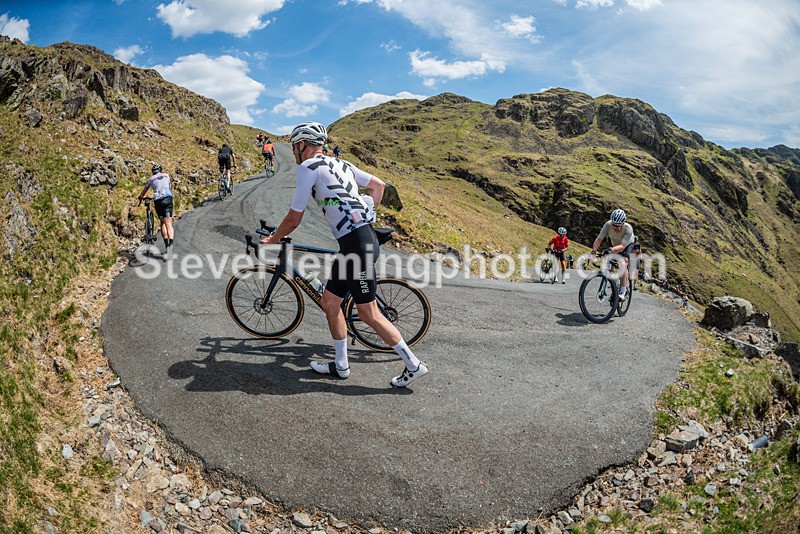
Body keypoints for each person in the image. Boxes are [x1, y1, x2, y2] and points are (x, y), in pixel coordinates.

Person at [260, 121, 429, 388]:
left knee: (368, 313)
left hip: (356, 248)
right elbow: (378, 186)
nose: (293, 152)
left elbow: (294, 218)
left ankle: (413, 364)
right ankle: (340, 365)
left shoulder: (308, 167)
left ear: (303, 144)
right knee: (330, 303)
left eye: (294, 146)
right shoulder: (342, 164)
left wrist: (274, 238)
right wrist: (366, 214)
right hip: (356, 243)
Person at [591, 208, 635, 301]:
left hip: (628, 245)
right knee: (609, 263)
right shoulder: (608, 225)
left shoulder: (628, 228)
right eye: (613, 224)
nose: (615, 227)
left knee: (624, 261)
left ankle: (623, 291)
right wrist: (594, 251)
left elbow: (622, 246)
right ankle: (612, 282)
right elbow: (599, 239)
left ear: (623, 223)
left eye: (618, 225)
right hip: (615, 245)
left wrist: (611, 250)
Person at [138, 163, 174, 255]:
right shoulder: (166, 175)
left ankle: (166, 245)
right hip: (167, 199)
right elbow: (169, 187)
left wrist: (140, 197)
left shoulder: (151, 179)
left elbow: (144, 190)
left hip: (158, 201)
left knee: (162, 223)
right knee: (169, 223)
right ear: (161, 170)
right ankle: (171, 245)